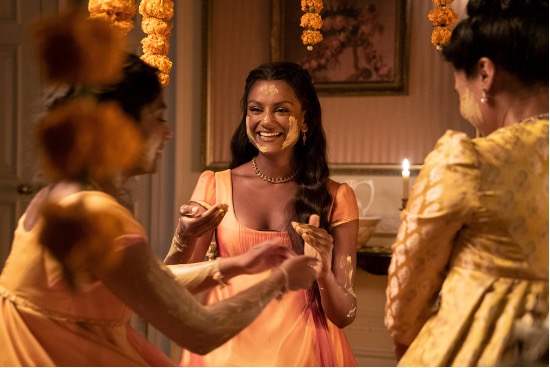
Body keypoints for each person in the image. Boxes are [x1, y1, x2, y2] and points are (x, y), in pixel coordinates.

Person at [0, 11, 318, 366]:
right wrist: (278, 281)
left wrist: (232, 266)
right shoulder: (99, 217)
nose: (167, 133)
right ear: (117, 130)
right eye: (157, 118)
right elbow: (200, 330)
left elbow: (147, 281)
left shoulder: (58, 198)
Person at [384, 0, 549, 366]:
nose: (463, 100)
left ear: (485, 74)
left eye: (461, 89)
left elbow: (410, 280)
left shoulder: (470, 161)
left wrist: (406, 337)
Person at [164, 61, 360, 366]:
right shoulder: (213, 186)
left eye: (281, 110)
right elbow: (172, 288)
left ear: (305, 120)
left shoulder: (336, 197)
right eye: (255, 109)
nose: (266, 121)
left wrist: (322, 272)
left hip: (305, 353)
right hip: (224, 350)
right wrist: (182, 237)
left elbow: (345, 314)